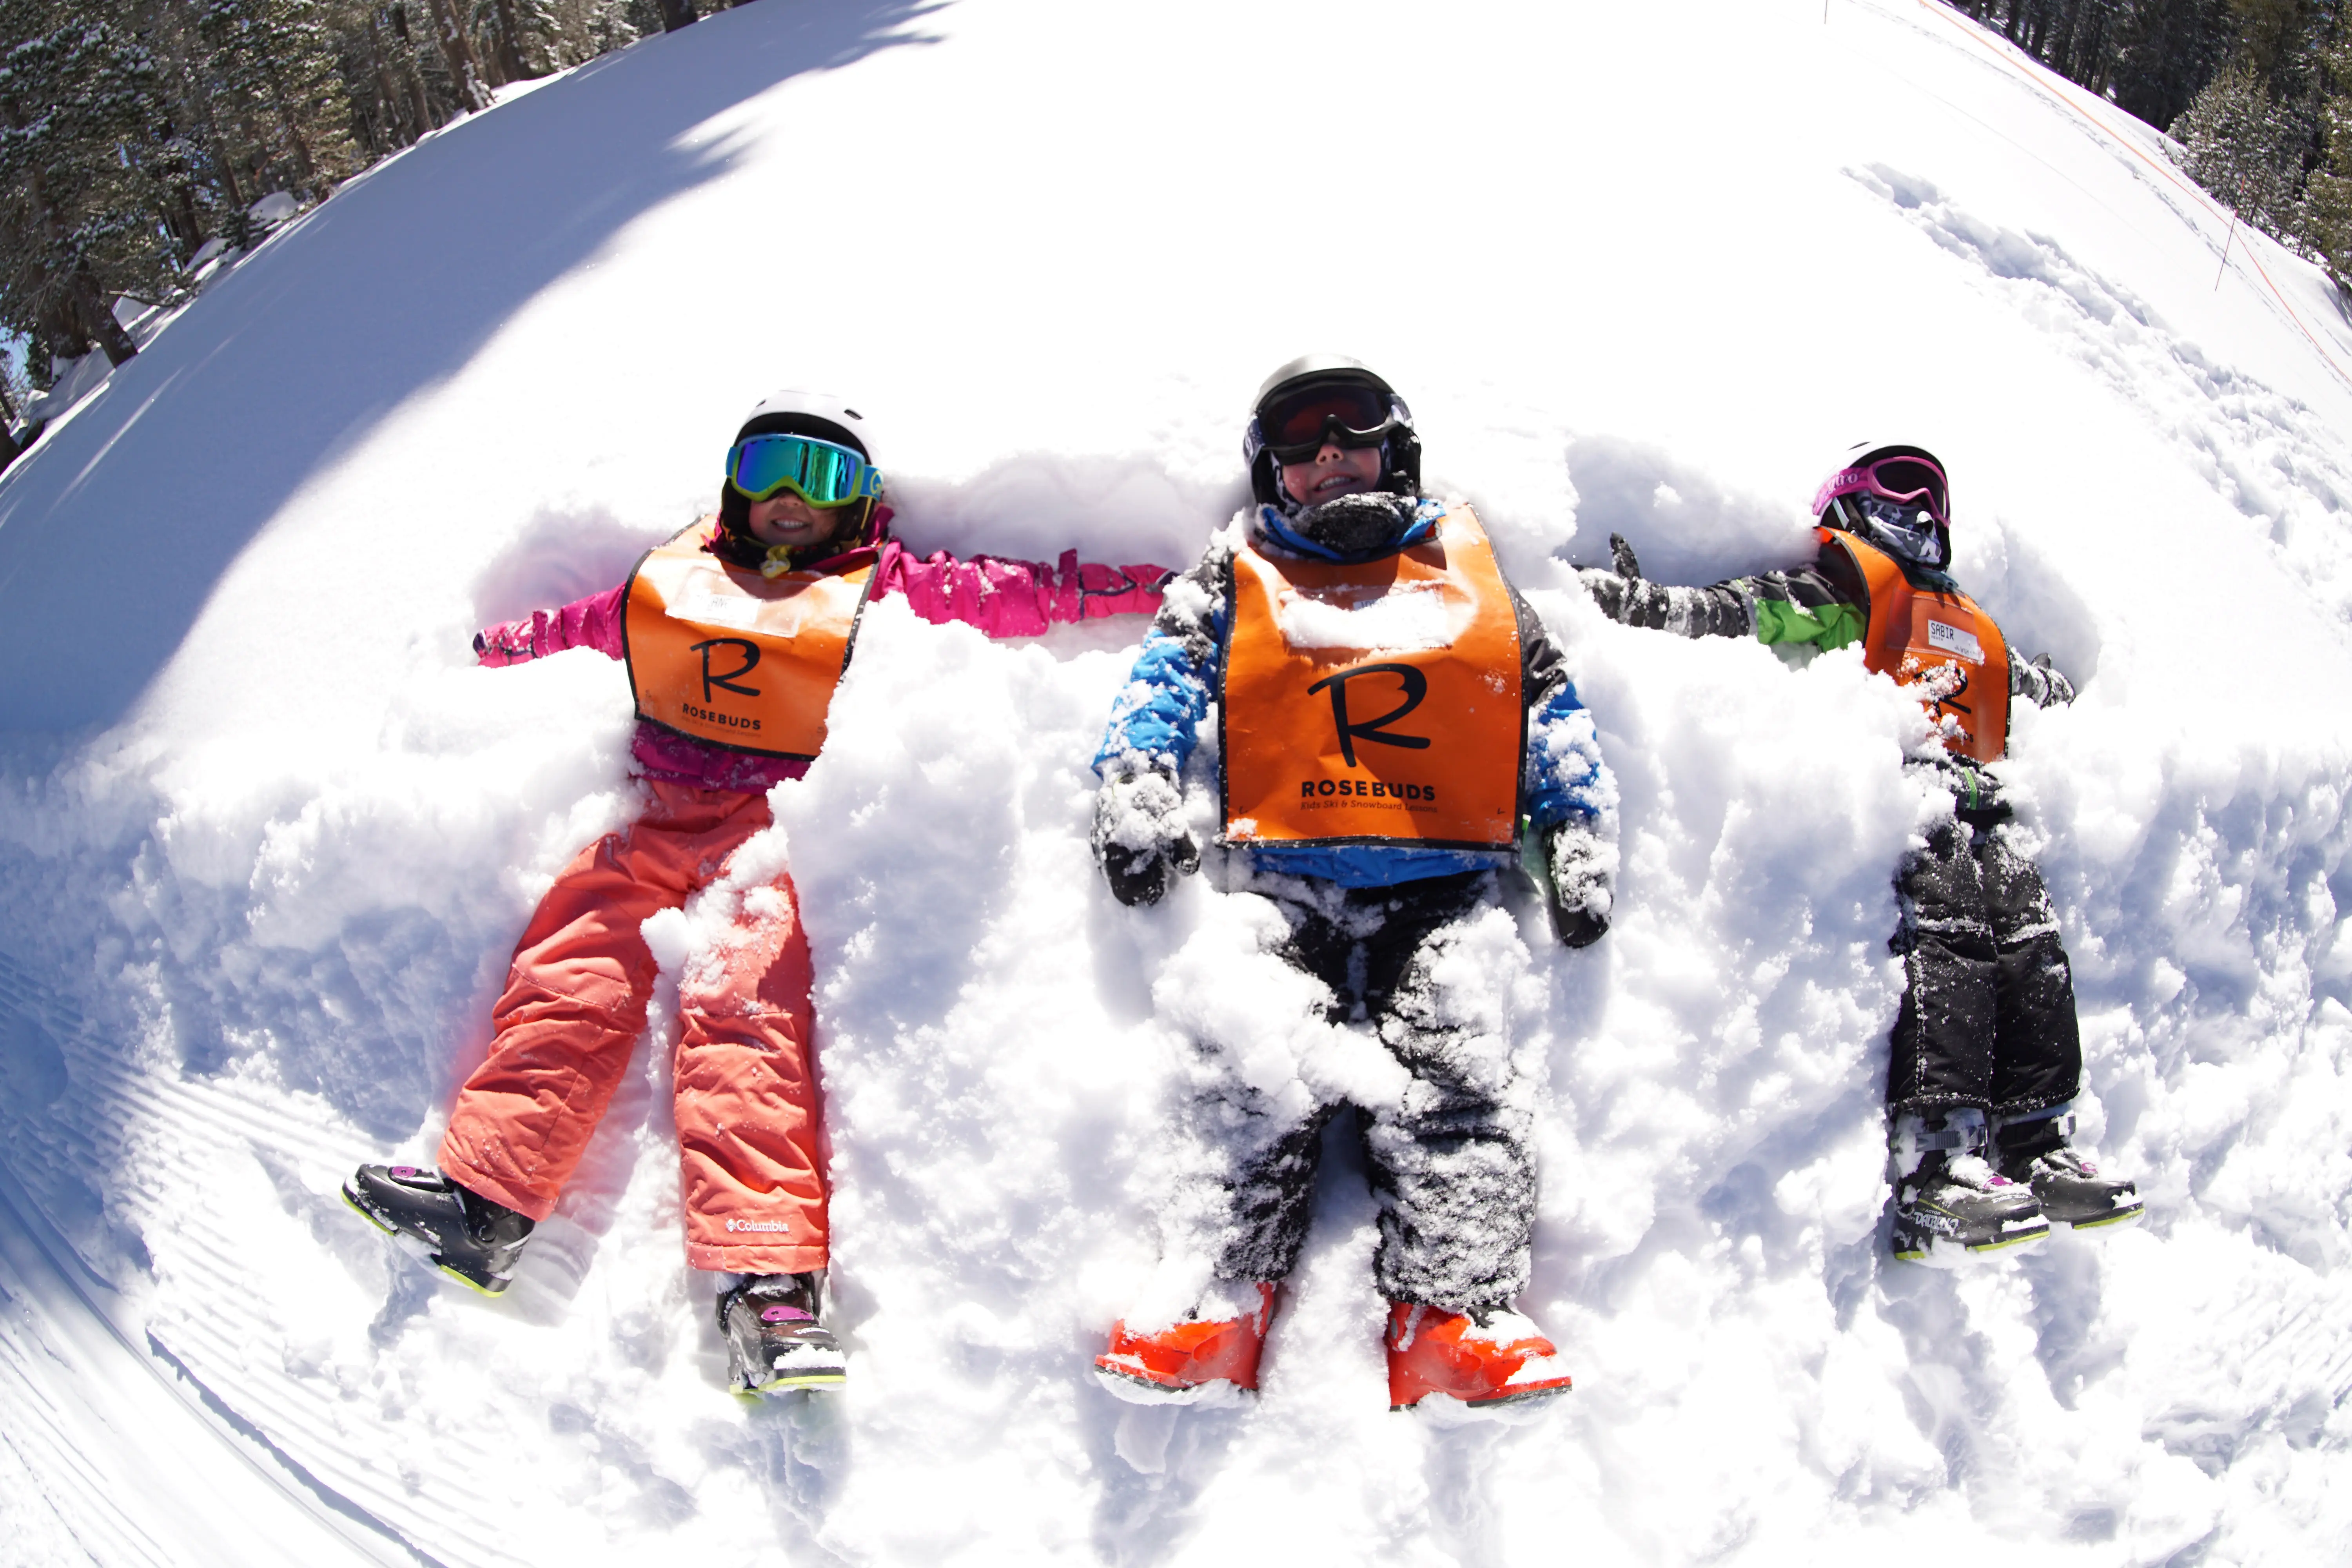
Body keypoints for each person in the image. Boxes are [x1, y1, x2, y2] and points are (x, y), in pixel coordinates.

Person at [344, 391, 1170, 1394]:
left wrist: (1147, 585)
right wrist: (496, 650)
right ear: (735, 485)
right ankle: (485, 1205)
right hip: (653, 818)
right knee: (565, 975)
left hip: (762, 840)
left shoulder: (881, 583)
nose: (790, 497)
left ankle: (769, 1286)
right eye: (770, 467)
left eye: (823, 478)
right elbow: (587, 623)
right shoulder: (682, 571)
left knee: (743, 1022)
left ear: (860, 504)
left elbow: (1014, 595)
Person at [1086, 357, 1614, 1417]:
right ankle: (1217, 1302)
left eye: (1350, 428)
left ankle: (1453, 1320)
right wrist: (1139, 788)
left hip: (1443, 879)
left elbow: (1540, 699)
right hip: (1285, 875)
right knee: (1248, 1059)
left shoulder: (1464, 565)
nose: (1327, 453)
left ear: (1396, 445)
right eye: (1296, 440)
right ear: (1269, 473)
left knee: (1458, 1060)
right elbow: (1163, 682)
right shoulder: (1238, 569)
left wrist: (1575, 827)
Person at [1578, 443, 2143, 1263]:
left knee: (2031, 942)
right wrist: (1639, 600)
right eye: (1897, 491)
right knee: (1951, 937)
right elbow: (1742, 610)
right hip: (1913, 795)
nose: (1919, 509)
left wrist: (2065, 687)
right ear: (1848, 506)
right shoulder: (1844, 595)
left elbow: (2025, 681)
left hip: (1989, 806)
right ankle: (1938, 1166)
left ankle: (2038, 1139)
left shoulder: (1969, 622)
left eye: (1932, 500)